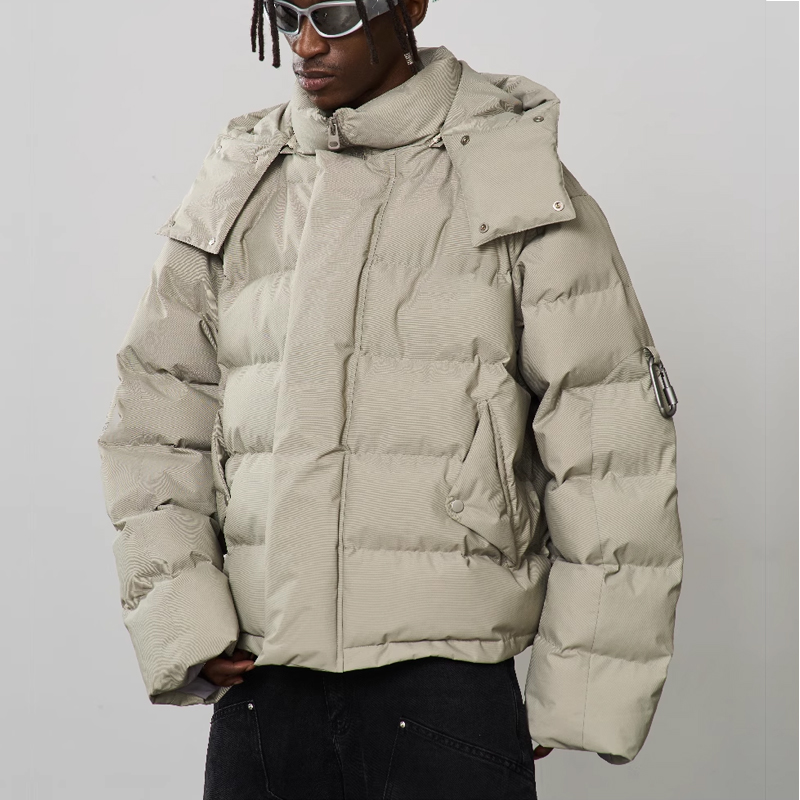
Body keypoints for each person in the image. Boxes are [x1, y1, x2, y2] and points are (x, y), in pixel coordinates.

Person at [96, 0, 684, 797]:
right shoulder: (243, 182)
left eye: (335, 15)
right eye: (288, 15)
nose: (306, 45)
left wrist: (583, 685)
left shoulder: (509, 176)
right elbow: (154, 416)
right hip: (265, 684)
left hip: (445, 682)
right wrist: (183, 614)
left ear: (407, 6)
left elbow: (610, 445)